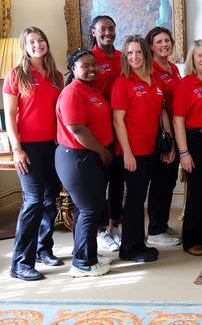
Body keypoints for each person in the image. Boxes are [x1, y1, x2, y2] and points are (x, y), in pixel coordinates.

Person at [3, 27, 64, 281]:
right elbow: (9, 117)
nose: (38, 44)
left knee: (50, 199)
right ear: (24, 47)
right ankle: (19, 263)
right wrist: (17, 149)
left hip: (53, 145)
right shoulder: (16, 76)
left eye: (41, 40)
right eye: (32, 42)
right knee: (33, 202)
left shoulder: (57, 76)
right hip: (27, 148)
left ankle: (43, 249)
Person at [111, 35, 175, 262]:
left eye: (138, 52)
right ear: (125, 57)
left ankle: (140, 243)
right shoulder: (122, 83)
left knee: (143, 199)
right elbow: (118, 121)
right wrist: (127, 152)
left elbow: (161, 112)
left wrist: (169, 143)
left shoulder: (154, 80)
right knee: (135, 200)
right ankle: (130, 249)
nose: (134, 57)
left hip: (152, 149)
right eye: (129, 53)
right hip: (133, 151)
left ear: (146, 54)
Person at [55, 49, 113, 277]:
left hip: (90, 157)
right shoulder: (72, 93)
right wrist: (103, 151)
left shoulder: (91, 89)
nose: (90, 69)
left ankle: (86, 254)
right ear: (73, 69)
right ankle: (82, 263)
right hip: (77, 157)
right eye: (84, 66)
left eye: (93, 65)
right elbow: (76, 128)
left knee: (86, 209)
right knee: (89, 209)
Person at [173, 40, 202, 256]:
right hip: (195, 140)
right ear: (192, 59)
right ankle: (191, 238)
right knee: (198, 192)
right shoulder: (185, 84)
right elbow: (178, 121)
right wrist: (184, 152)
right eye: (199, 56)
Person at [89, 15, 123, 252]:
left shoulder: (123, 57)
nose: (108, 33)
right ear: (93, 32)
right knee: (99, 182)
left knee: (118, 179)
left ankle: (114, 225)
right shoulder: (89, 60)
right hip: (98, 130)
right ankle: (100, 230)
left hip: (121, 127)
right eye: (102, 29)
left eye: (111, 28)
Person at [145, 27, 182, 247]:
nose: (164, 45)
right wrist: (167, 138)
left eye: (167, 40)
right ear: (150, 46)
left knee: (168, 180)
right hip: (162, 133)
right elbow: (159, 106)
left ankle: (162, 224)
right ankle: (155, 230)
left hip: (175, 130)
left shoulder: (174, 68)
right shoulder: (151, 69)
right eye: (159, 41)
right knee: (160, 181)